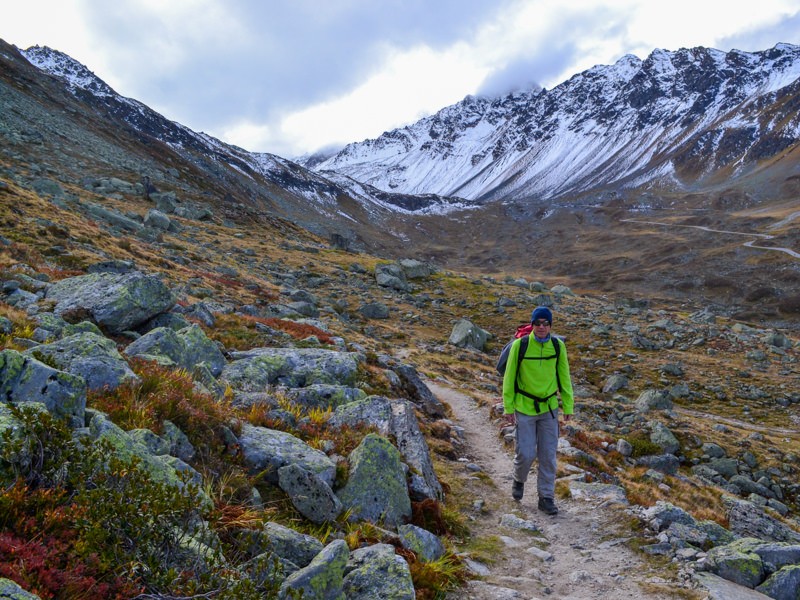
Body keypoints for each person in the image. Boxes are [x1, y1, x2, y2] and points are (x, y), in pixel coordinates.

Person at [502, 306, 574, 515]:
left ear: (551, 325)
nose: (542, 327)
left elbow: (565, 377)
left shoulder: (558, 346)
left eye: (546, 323)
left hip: (549, 409)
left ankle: (546, 498)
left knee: (548, 456)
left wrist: (568, 405)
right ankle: (518, 478)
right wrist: (509, 406)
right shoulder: (520, 346)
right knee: (525, 453)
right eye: (538, 323)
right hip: (524, 407)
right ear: (532, 324)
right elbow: (509, 377)